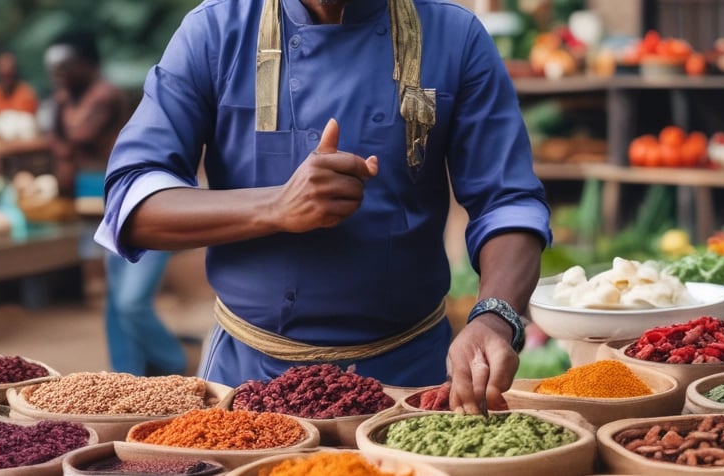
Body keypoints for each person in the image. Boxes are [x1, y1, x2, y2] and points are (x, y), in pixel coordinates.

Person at [96, 0, 551, 414]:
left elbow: (507, 201)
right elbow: (133, 201)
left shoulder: (455, 36)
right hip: (246, 377)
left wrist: (495, 317)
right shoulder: (215, 31)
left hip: (413, 377)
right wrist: (275, 206)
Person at [45, 31, 186, 376]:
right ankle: (127, 371)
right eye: (54, 69)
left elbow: (77, 135)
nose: (58, 75)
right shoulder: (74, 97)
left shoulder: (104, 95)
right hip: (101, 203)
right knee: (115, 298)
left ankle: (174, 365)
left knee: (131, 301)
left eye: (64, 67)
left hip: (134, 199)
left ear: (86, 64)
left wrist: (59, 106)